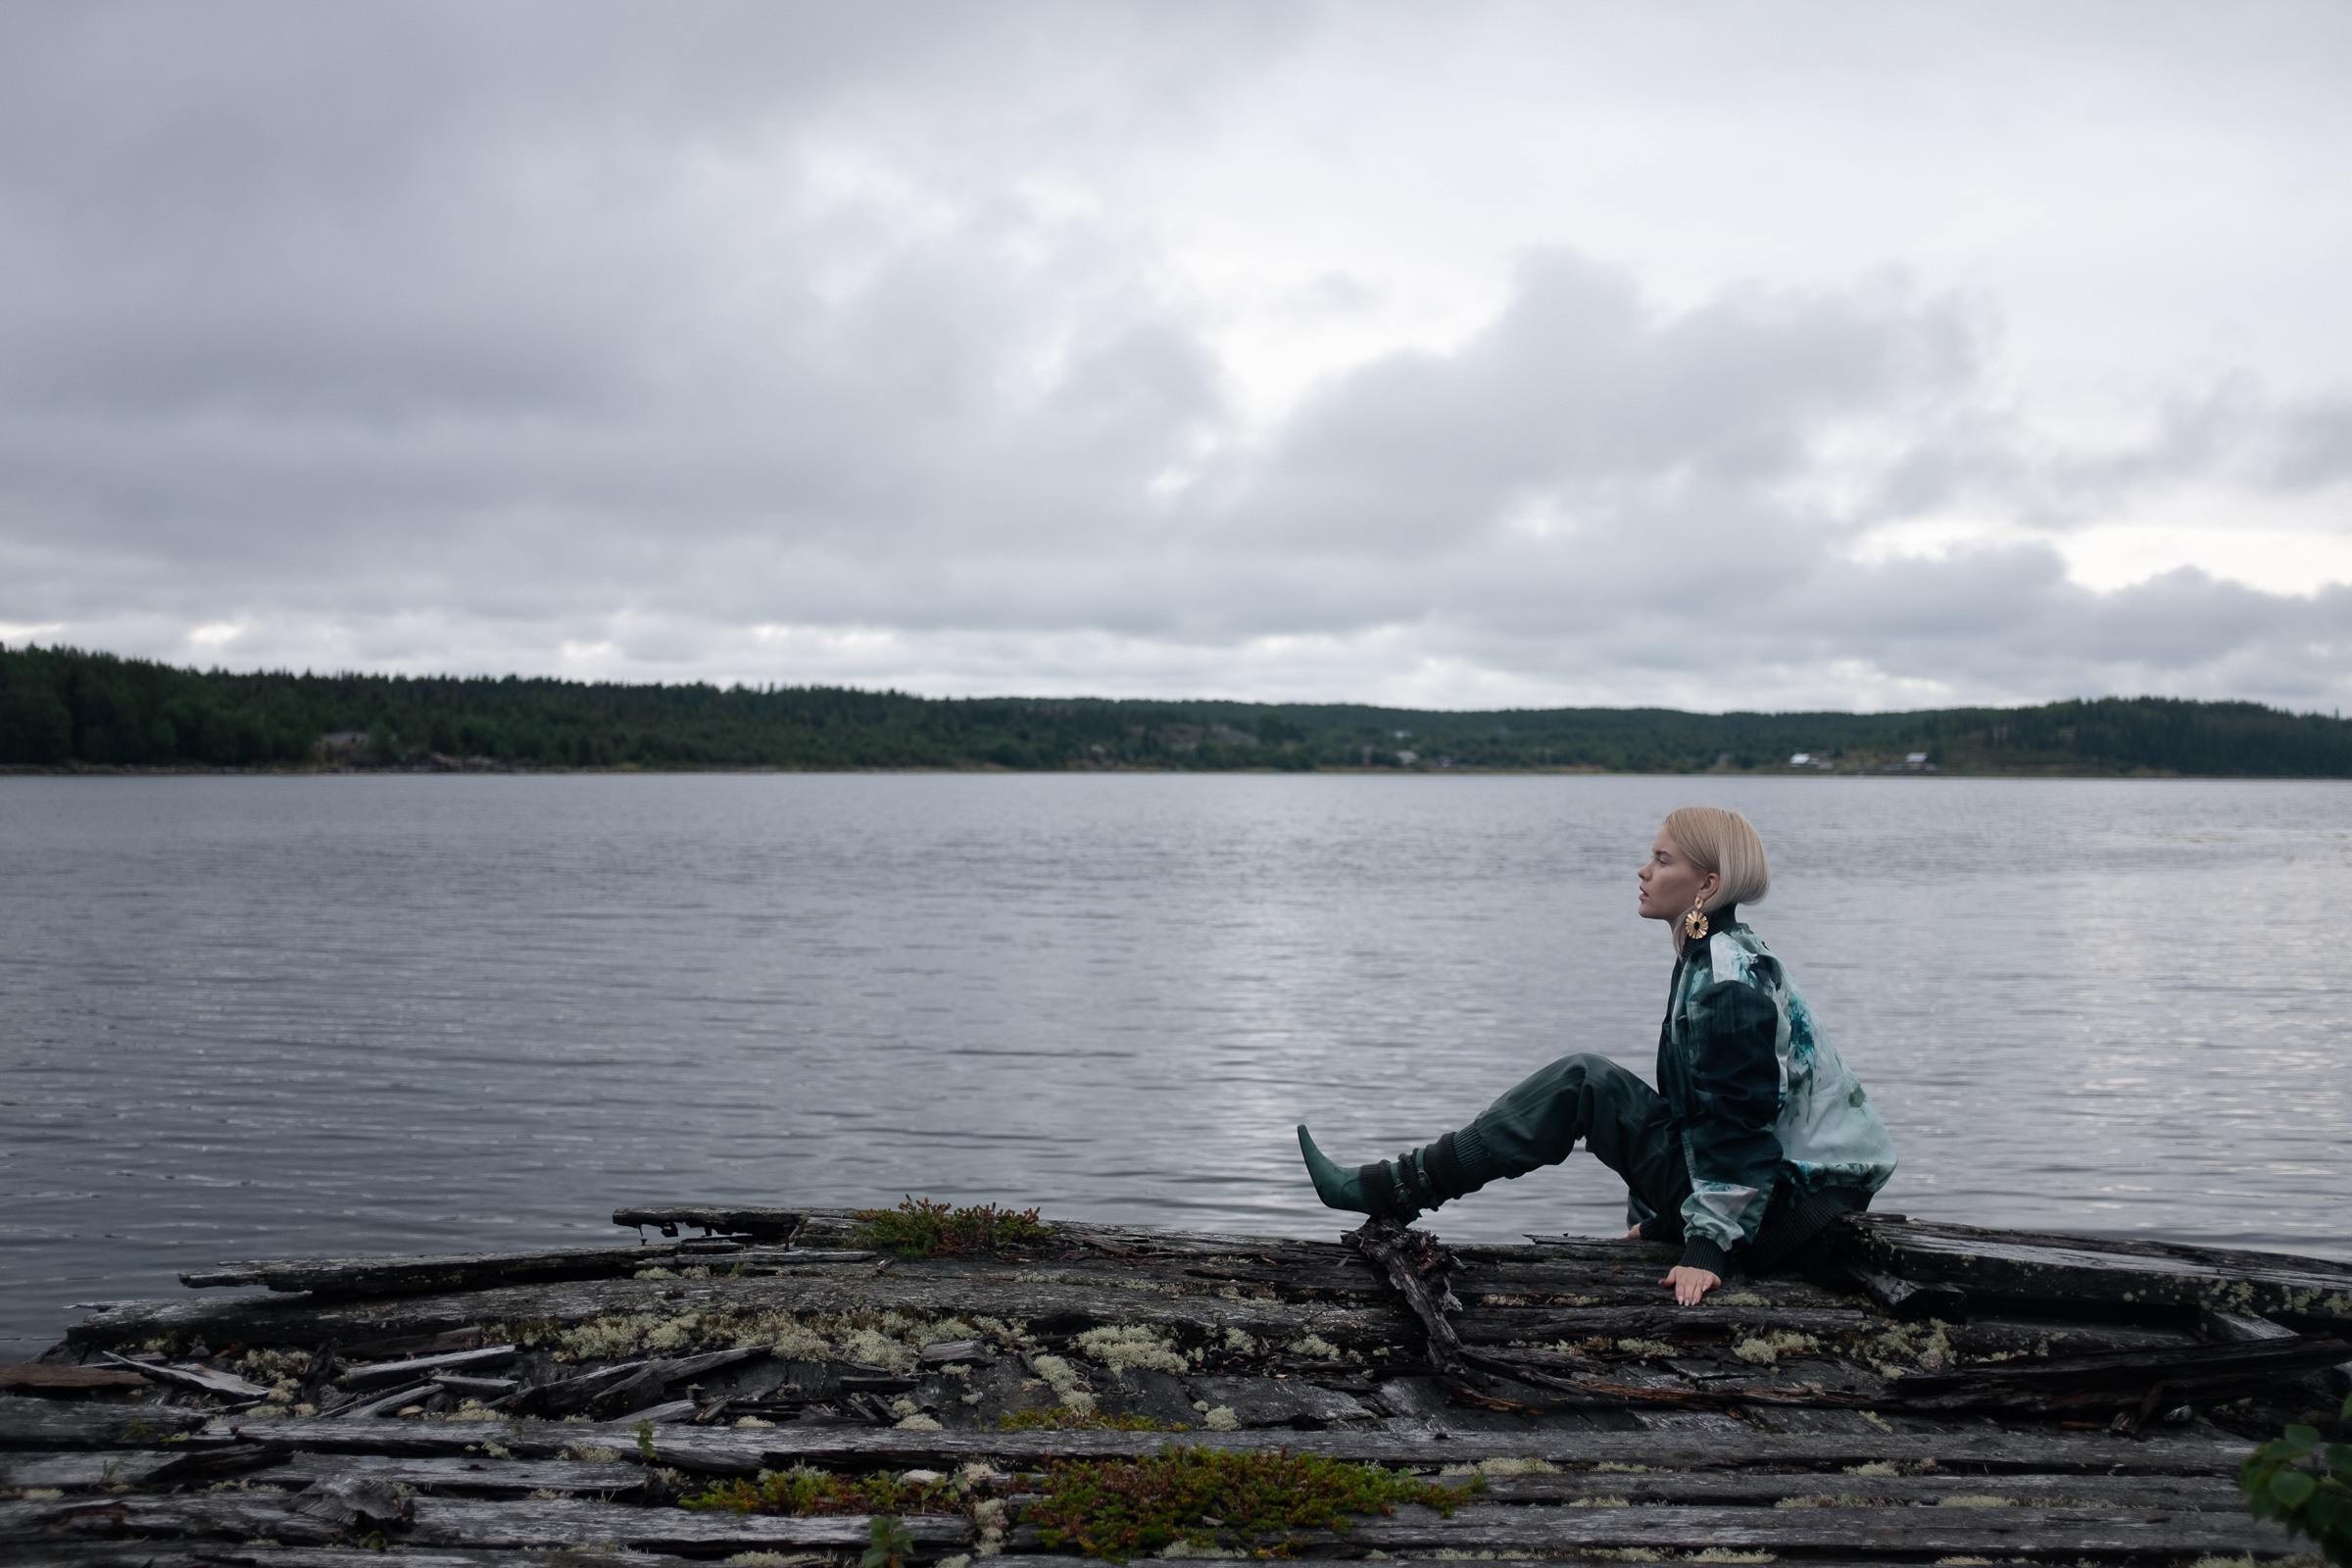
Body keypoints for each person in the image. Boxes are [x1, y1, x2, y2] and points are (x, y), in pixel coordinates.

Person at [1297, 806, 1896, 1307]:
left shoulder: (1727, 983)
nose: (1643, 870)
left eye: (1663, 860)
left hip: (1792, 1213)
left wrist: (1710, 1246)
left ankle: (1392, 1189)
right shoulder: (1716, 953)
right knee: (1626, 1106)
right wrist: (1670, 1224)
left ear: (1706, 885)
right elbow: (1705, 1114)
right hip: (1793, 1199)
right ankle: (1399, 1187)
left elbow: (1740, 1123)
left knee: (1584, 1083)